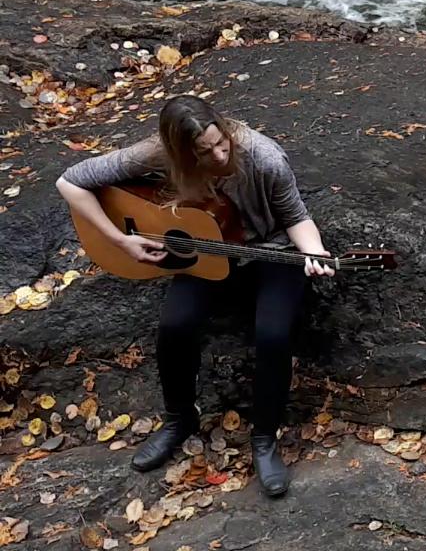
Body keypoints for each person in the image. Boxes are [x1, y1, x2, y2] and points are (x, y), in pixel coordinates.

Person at [56, 95, 334, 498]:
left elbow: (296, 217)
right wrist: (121, 240)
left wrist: (314, 252)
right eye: (205, 152)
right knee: (174, 326)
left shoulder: (264, 156)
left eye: (221, 143)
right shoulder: (155, 154)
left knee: (272, 334)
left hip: (269, 251)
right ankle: (179, 419)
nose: (219, 155)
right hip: (207, 250)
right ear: (179, 152)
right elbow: (70, 181)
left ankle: (264, 438)